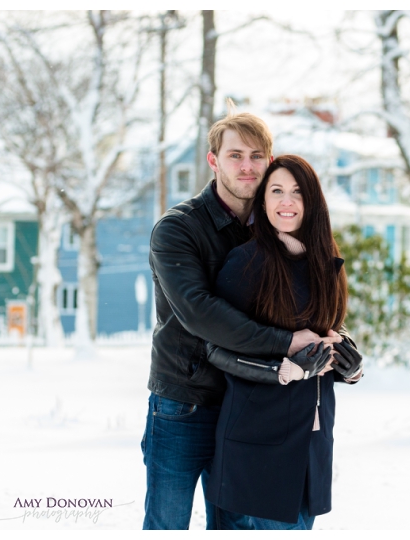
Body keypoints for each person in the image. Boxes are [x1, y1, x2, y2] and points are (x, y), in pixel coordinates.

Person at [142, 108, 350, 530]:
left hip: (249, 406)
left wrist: (338, 344)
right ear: (213, 160)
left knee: (234, 526)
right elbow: (202, 313)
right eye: (235, 155)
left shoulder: (274, 225)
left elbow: (300, 303)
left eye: (257, 156)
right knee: (167, 524)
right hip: (186, 401)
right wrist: (288, 343)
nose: (247, 166)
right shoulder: (177, 229)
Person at [203, 155, 362, 530]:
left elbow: (324, 336)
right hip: (256, 445)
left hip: (310, 441)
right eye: (276, 191)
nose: (286, 202)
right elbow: (215, 347)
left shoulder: (327, 265)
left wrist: (347, 366)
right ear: (263, 202)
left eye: (296, 192)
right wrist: (284, 369)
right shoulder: (245, 263)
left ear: (313, 203)